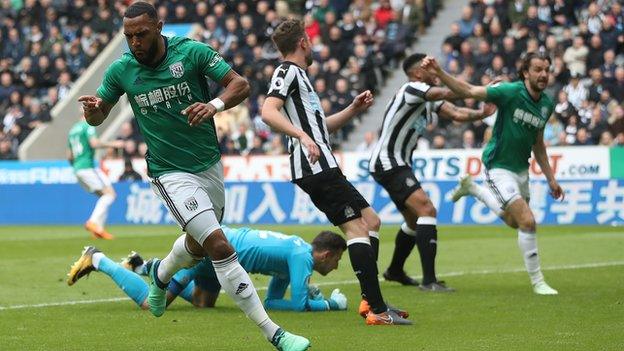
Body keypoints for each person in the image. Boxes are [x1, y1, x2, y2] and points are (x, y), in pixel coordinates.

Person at [77, 2, 309, 350]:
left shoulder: (192, 53)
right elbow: (98, 116)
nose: (135, 42)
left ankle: (159, 274)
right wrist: (93, 113)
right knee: (218, 244)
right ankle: (274, 333)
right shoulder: (121, 70)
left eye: (141, 34)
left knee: (198, 245)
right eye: (129, 37)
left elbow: (240, 85)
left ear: (159, 26)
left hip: (209, 165)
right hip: (168, 172)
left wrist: (213, 105)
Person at [261, 19, 411, 325]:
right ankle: (378, 311)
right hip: (314, 167)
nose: (312, 45)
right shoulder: (287, 71)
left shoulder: (301, 77)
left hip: (324, 164)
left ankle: (373, 301)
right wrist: (302, 137)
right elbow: (268, 111)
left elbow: (319, 128)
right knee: (357, 230)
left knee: (371, 222)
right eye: (310, 41)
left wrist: (353, 110)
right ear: (303, 42)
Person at [421, 52, 565, 295]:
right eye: (538, 69)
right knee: (527, 222)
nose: (543, 74)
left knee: (513, 222)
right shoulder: (509, 92)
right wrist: (440, 73)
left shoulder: (547, 105)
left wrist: (551, 177)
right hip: (497, 166)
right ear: (525, 72)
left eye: (547, 70)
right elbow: (468, 91)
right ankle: (538, 281)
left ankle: (473, 189)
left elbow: (538, 143)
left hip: (521, 169)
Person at [369, 53, 496, 292]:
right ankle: (429, 281)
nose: (436, 72)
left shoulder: (426, 98)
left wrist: (482, 114)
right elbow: (448, 93)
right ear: (418, 74)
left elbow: (457, 113)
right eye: (430, 70)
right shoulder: (412, 88)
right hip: (389, 162)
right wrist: (481, 90)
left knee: (414, 220)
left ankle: (395, 270)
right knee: (427, 209)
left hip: (396, 163)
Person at [67, 227, 348, 312]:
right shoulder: (301, 257)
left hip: (221, 259)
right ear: (325, 254)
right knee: (153, 304)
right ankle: (98, 259)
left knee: (204, 302)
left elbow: (273, 301)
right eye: (336, 261)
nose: (335, 267)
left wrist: (309, 294)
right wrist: (331, 304)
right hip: (211, 252)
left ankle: (149, 267)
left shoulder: (297, 254)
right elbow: (299, 305)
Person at [67, 115, 123, 239]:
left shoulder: (72, 131)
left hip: (78, 169)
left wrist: (77, 166)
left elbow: (69, 156)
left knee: (105, 196)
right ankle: (93, 222)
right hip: (88, 167)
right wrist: (113, 144)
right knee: (109, 195)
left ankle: (98, 230)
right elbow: (94, 143)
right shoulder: (88, 125)